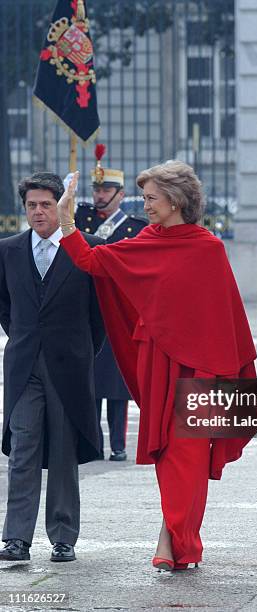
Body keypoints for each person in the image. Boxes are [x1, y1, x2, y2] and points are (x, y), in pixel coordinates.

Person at [57, 160, 257, 571]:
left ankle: (177, 539)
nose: (145, 205)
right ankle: (176, 537)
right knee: (168, 452)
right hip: (158, 364)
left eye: (151, 198)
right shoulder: (146, 240)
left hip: (202, 368)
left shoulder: (209, 249)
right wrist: (66, 221)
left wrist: (227, 376)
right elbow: (93, 263)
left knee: (190, 455)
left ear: (176, 200)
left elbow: (226, 320)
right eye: (144, 197)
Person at [0, 172, 105, 563]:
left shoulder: (89, 248)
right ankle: (16, 538)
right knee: (23, 447)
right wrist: (27, 340)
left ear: (63, 207)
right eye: (32, 205)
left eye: (46, 205)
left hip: (69, 367)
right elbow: (6, 308)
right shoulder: (8, 250)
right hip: (24, 366)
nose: (39, 212)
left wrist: (79, 352)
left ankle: (64, 537)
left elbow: (100, 316)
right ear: (24, 209)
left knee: (63, 450)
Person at [75, 145, 147, 461]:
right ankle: (92, 440)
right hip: (87, 308)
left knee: (117, 386)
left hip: (117, 310)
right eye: (96, 188)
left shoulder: (135, 227)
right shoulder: (80, 220)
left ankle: (118, 444)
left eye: (106, 189)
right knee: (88, 383)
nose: (100, 194)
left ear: (120, 194)